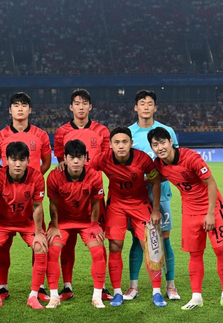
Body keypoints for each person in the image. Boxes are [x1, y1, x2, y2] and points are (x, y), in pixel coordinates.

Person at [147, 127, 223, 312]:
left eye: (162, 142)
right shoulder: (159, 164)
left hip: (211, 207)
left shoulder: (191, 158)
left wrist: (210, 213)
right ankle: (196, 297)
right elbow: (155, 180)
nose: (160, 147)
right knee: (194, 253)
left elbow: (211, 183)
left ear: (171, 142)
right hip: (189, 211)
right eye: (155, 145)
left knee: (220, 249)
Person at [0, 92, 52, 302]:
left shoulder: (41, 135)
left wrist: (31, 181)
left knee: (39, 244)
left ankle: (39, 287)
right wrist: (5, 178)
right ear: (10, 110)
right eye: (16, 105)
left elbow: (45, 163)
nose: (20, 108)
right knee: (1, 246)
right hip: (7, 200)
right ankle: (2, 287)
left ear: (30, 110)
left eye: (24, 105)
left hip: (30, 197)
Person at [90, 127, 163, 307]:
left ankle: (157, 292)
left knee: (151, 245)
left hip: (140, 203)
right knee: (115, 245)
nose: (121, 146)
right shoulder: (103, 159)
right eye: (117, 142)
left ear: (131, 143)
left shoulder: (143, 159)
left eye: (124, 142)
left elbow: (155, 181)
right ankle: (117, 293)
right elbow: (87, 171)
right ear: (111, 145)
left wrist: (155, 210)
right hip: (117, 205)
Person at [53, 88, 111, 302]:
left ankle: (102, 287)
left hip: (94, 194)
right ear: (71, 107)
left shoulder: (102, 130)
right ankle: (67, 286)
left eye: (84, 103)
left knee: (98, 238)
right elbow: (61, 162)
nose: (80, 106)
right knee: (67, 241)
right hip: (69, 195)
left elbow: (105, 160)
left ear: (90, 106)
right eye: (76, 103)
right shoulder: (61, 132)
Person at [126, 90, 180, 301]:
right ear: (136, 108)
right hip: (137, 197)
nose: (146, 107)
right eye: (142, 103)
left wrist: (157, 178)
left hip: (162, 195)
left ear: (155, 107)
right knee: (137, 239)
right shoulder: (128, 133)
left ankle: (171, 286)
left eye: (150, 103)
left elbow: (174, 161)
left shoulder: (167, 131)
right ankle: (133, 287)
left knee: (164, 240)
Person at [0, 141, 48, 311]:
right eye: (13, 159)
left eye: (22, 159)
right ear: (6, 160)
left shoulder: (36, 177)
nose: (17, 164)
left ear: (28, 160)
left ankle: (33, 296)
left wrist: (39, 232)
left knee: (41, 247)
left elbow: (37, 206)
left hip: (27, 222)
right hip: (3, 222)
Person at [46, 140, 107, 309]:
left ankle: (97, 296)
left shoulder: (94, 176)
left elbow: (96, 203)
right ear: (64, 158)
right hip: (63, 222)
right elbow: (53, 204)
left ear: (85, 158)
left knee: (98, 250)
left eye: (79, 157)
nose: (75, 161)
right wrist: (55, 226)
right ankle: (54, 296)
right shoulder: (54, 176)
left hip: (87, 221)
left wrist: (95, 225)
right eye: (71, 157)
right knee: (53, 250)